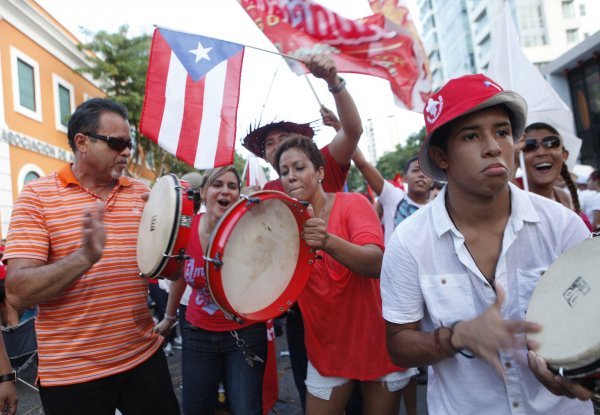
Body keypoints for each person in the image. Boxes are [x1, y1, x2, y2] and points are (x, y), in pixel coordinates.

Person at [380, 74, 593, 414]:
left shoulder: (562, 225)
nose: (494, 146)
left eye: (502, 131)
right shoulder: (408, 242)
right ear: (441, 156)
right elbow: (398, 345)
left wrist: (566, 372)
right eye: (471, 135)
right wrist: (458, 336)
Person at [3, 98, 180, 414]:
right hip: (72, 374)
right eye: (117, 143)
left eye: (129, 143)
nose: (126, 152)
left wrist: (172, 234)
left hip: (142, 357)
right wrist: (84, 257)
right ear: (81, 142)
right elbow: (17, 292)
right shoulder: (37, 196)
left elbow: (171, 272)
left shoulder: (140, 193)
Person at [274, 135, 413, 415]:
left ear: (320, 172)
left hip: (376, 344)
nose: (291, 177)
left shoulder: (354, 204)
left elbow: (375, 262)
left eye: (299, 168)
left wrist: (327, 241)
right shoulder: (281, 228)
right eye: (284, 172)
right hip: (327, 351)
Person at [155, 166, 267, 415]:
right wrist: (169, 318)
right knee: (195, 409)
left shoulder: (252, 231)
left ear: (238, 195)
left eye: (232, 186)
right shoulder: (187, 229)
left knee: (246, 409)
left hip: (244, 334)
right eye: (217, 185)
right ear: (204, 193)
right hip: (197, 334)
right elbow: (180, 277)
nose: (224, 190)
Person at [517, 122, 593, 230]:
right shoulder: (507, 195)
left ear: (564, 155)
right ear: (518, 159)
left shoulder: (566, 200)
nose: (541, 152)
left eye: (551, 143)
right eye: (530, 146)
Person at [352, 148, 432, 243]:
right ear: (404, 179)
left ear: (432, 181)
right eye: (415, 170)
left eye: (426, 172)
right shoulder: (393, 196)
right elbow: (362, 163)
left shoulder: (439, 209)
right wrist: (349, 135)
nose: (421, 175)